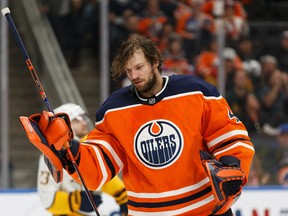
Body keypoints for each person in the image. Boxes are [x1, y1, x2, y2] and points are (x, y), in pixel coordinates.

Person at [21, 35, 254, 215]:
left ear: (154, 62)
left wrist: (232, 162)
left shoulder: (196, 92)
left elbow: (226, 132)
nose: (134, 75)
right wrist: (69, 148)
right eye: (128, 70)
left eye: (139, 67)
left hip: (205, 209)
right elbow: (100, 164)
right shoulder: (113, 109)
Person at [37, 103, 128, 216]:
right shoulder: (50, 156)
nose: (84, 123)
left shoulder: (87, 146)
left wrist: (123, 197)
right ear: (63, 125)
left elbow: (101, 175)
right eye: (77, 120)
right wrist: (76, 201)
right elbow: (47, 199)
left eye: (83, 118)